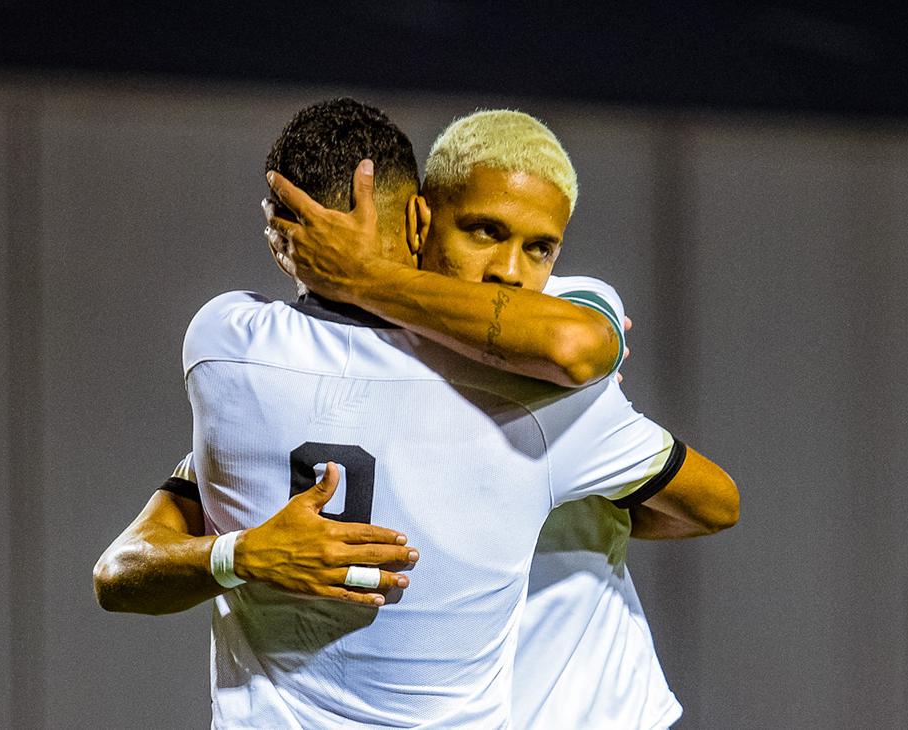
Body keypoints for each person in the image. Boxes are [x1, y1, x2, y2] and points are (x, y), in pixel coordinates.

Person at [95, 100, 736, 729]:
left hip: (583, 705)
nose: (509, 272)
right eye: (483, 231)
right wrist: (245, 552)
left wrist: (359, 276)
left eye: (541, 248)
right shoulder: (527, 388)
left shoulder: (228, 343)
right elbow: (120, 569)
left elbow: (575, 348)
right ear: (424, 220)